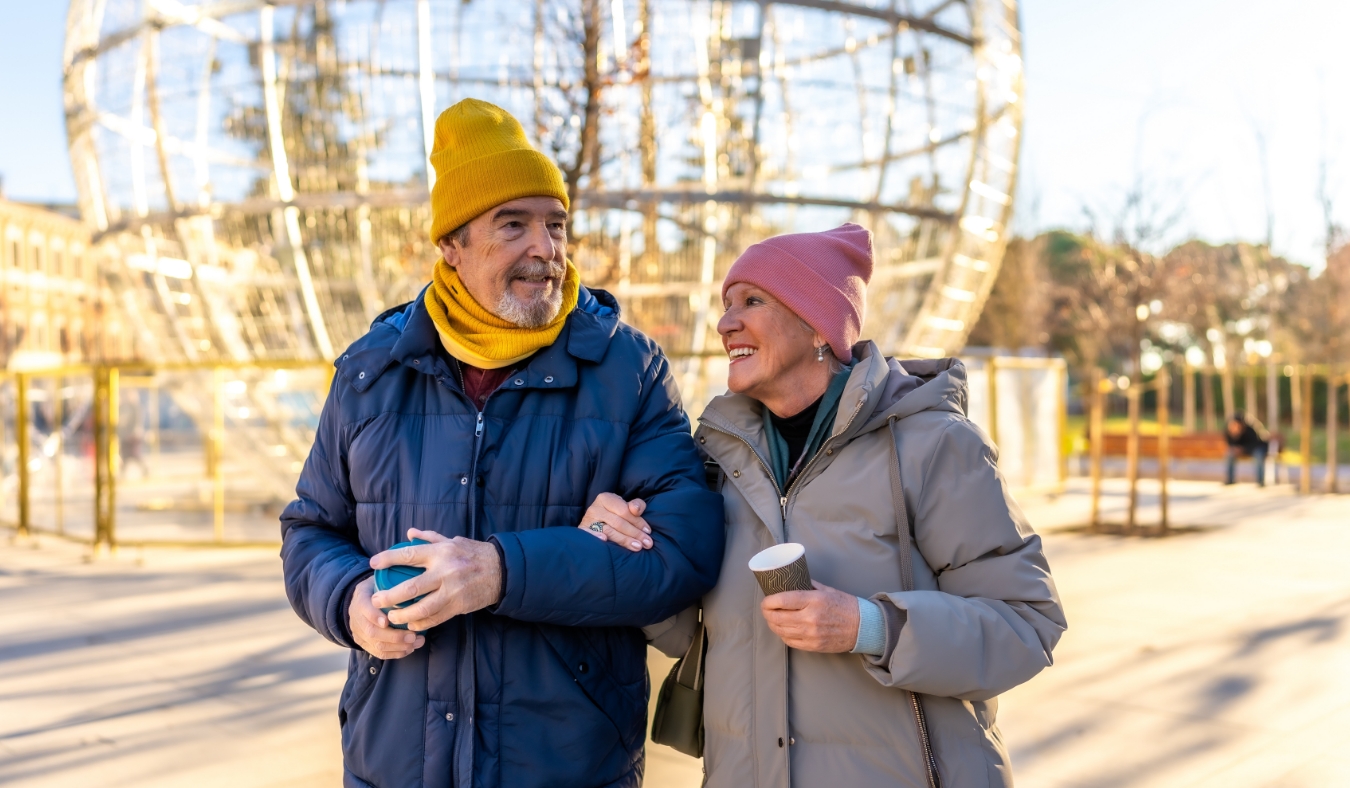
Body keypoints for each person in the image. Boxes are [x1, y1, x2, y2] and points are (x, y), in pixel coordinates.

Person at [279, 98, 725, 788]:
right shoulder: (370, 372)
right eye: (512, 225)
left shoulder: (626, 370)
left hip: (569, 764)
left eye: (556, 225)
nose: (543, 250)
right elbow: (309, 530)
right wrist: (349, 603)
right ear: (451, 247)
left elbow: (679, 550)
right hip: (395, 760)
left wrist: (499, 570)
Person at [583, 224, 1066, 787]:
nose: (725, 322)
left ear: (818, 325)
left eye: (752, 301)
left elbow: (1027, 624)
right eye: (726, 304)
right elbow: (694, 636)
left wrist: (870, 627)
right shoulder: (714, 459)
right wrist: (620, 550)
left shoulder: (933, 445)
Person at [1224, 410, 1269, 486]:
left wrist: (1243, 449)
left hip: (1257, 448)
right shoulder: (1229, 430)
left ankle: (1260, 481)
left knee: (1258, 455)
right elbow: (1231, 444)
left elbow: (1255, 443)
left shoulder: (1250, 430)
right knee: (1230, 454)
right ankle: (1230, 479)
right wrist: (1235, 437)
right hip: (1242, 450)